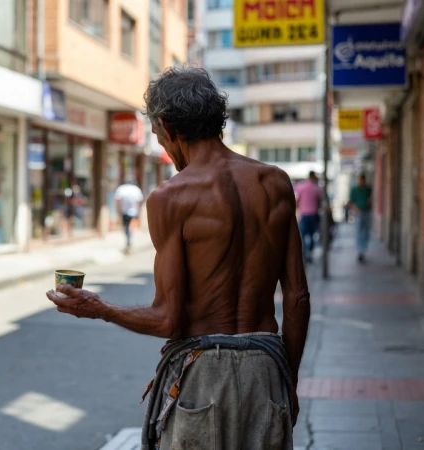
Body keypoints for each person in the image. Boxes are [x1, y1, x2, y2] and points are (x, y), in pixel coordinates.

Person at [46, 67, 309, 450]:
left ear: (168, 128)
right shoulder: (275, 182)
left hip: (203, 375)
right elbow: (298, 298)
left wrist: (99, 308)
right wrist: (289, 381)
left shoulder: (171, 197)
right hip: (266, 369)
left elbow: (168, 319)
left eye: (158, 137)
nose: (166, 152)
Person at [294, 171, 322, 263]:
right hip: (313, 214)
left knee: (304, 235)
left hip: (304, 215)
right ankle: (309, 252)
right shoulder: (316, 188)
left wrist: (298, 208)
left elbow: (297, 200)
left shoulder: (301, 187)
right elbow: (319, 202)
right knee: (312, 235)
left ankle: (306, 254)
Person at [114, 179, 144, 252]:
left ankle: (128, 240)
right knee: (131, 227)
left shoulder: (121, 189)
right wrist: (139, 211)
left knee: (126, 227)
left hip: (124, 212)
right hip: (134, 212)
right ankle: (129, 239)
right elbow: (140, 201)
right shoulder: (136, 189)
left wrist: (118, 211)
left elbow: (117, 201)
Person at [348, 174, 372, 263]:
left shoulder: (367, 189)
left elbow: (370, 199)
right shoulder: (354, 190)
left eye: (362, 180)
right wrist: (356, 209)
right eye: (360, 180)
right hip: (358, 213)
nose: (361, 182)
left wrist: (369, 205)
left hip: (366, 212)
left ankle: (363, 250)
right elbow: (350, 202)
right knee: (358, 232)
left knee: (365, 232)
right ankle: (359, 251)